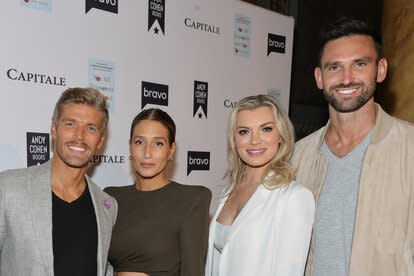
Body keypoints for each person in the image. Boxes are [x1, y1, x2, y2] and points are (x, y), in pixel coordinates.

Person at [291, 17, 414, 276]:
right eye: (334, 67)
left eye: (359, 64)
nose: (346, 79)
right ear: (319, 78)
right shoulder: (297, 158)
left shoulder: (409, 149)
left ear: (380, 70)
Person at [0, 87, 118, 276]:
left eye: (90, 128)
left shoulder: (108, 207)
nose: (79, 136)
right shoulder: (8, 188)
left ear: (100, 140)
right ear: (54, 129)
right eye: (70, 124)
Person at [205, 95, 315, 276]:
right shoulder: (229, 191)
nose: (255, 140)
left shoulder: (294, 197)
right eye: (244, 132)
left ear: (280, 135)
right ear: (234, 140)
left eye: (266, 129)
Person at [105, 108, 212, 276]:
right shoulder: (111, 197)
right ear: (130, 147)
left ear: (171, 150)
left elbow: (193, 271)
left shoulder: (192, 199)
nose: (147, 153)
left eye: (158, 143)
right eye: (139, 142)